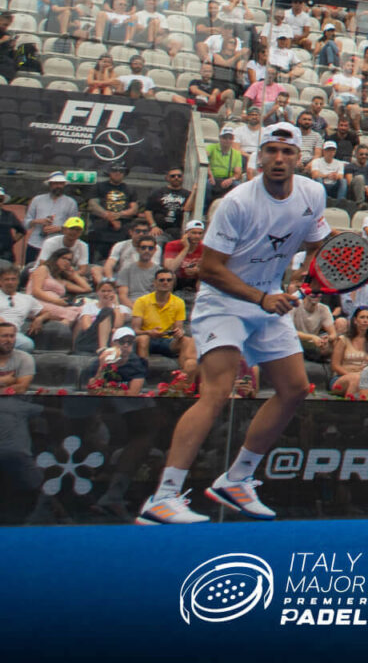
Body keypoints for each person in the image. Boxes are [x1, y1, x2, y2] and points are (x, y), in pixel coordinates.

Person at [137, 124, 331, 524]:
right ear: (259, 157)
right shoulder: (236, 203)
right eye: (271, 151)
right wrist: (261, 298)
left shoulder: (313, 193)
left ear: (299, 158)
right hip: (223, 302)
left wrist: (301, 273)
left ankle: (237, 479)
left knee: (295, 389)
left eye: (287, 152)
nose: (279, 159)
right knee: (217, 392)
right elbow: (209, 269)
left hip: (268, 301)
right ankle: (164, 496)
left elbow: (316, 244)